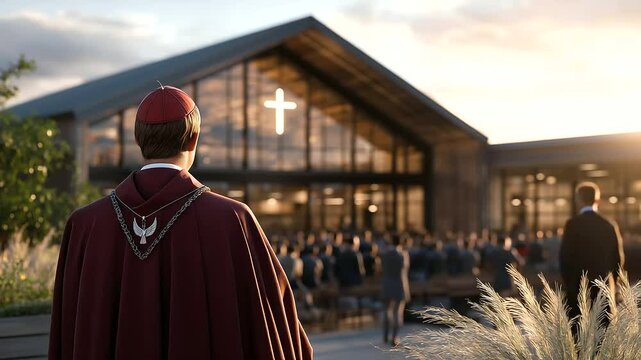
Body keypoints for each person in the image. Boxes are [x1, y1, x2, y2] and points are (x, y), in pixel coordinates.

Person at [49, 85, 313, 359]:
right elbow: (272, 322)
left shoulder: (85, 225)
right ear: (193, 139)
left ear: (139, 141)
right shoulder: (233, 220)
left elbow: (68, 332)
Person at [560, 182, 625, 321]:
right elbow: (618, 260)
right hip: (603, 290)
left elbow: (565, 259)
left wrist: (569, 285)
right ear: (597, 200)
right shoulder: (609, 225)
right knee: (602, 338)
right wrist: (613, 284)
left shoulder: (572, 225)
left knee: (579, 337)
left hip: (577, 290)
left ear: (578, 199)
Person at [380, 234, 410, 347]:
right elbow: (406, 269)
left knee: (386, 311)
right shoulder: (403, 255)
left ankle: (385, 335)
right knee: (397, 313)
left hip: (387, 284)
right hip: (399, 284)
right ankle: (394, 337)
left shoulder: (384, 254)